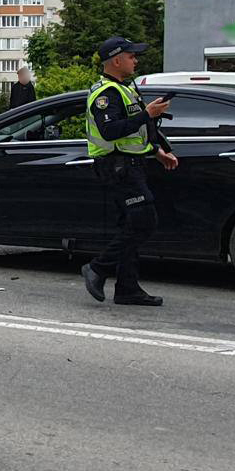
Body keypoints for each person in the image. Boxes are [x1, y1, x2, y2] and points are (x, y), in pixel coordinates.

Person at [81, 37, 178, 307]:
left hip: (131, 164)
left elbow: (135, 130)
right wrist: (147, 113)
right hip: (117, 167)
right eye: (131, 56)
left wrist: (156, 150)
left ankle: (127, 288)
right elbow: (111, 131)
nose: (136, 60)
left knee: (132, 225)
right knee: (144, 221)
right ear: (116, 60)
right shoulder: (105, 94)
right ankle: (97, 268)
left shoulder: (125, 89)